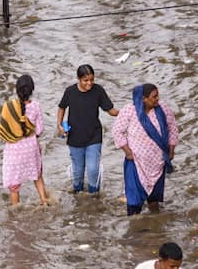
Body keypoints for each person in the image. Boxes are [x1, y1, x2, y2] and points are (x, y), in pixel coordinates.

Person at [112, 84, 179, 216]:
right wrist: (128, 152)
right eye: (154, 97)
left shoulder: (163, 109)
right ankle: (135, 227)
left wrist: (171, 150)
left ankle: (155, 223)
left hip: (157, 162)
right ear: (144, 99)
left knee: (154, 199)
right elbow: (117, 131)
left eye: (158, 95)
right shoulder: (129, 111)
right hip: (136, 162)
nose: (157, 99)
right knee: (134, 202)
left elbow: (172, 128)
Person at [57, 64, 119, 194]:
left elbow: (110, 110)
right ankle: (77, 193)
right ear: (78, 79)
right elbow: (62, 107)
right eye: (86, 80)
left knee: (92, 169)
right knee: (78, 173)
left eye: (92, 79)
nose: (89, 83)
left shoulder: (98, 91)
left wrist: (127, 112)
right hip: (74, 137)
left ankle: (94, 195)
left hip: (94, 136)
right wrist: (59, 125)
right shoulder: (70, 92)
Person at [0, 74, 48, 206]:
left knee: (14, 184)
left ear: (17, 90)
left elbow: (3, 128)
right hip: (31, 147)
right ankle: (44, 201)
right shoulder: (36, 106)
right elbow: (39, 130)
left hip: (14, 149)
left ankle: (16, 210)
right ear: (32, 90)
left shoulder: (8, 106)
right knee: (37, 175)